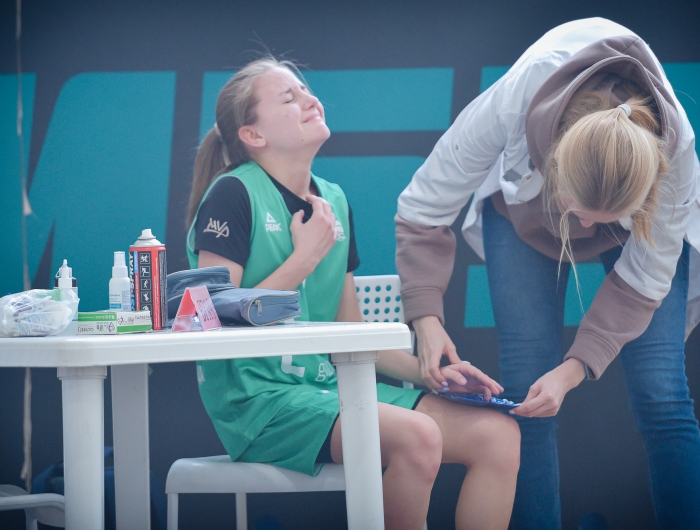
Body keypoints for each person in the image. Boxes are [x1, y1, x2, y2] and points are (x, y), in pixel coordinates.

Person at [185, 57, 520, 530]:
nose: (310, 100)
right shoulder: (231, 193)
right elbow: (208, 318)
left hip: (334, 391)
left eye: (306, 90)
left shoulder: (334, 200)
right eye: (289, 98)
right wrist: (304, 258)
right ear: (253, 134)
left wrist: (431, 374)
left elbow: (350, 334)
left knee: (497, 435)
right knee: (419, 436)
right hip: (259, 405)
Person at [395, 17, 700, 530]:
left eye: (604, 219)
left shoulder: (677, 154)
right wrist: (425, 318)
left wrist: (574, 368)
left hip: (643, 225)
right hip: (525, 212)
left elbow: (644, 281)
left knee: (662, 393)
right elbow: (424, 205)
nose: (584, 229)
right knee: (525, 390)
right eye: (578, 213)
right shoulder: (519, 94)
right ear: (552, 163)